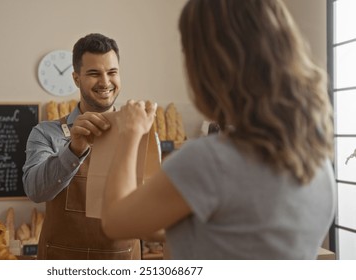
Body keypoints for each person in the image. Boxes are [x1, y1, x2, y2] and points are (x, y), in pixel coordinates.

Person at [101, 0, 336, 259]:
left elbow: (114, 221)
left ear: (208, 65)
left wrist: (130, 132)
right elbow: (238, 233)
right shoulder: (316, 159)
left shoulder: (210, 160)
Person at [22, 33, 141, 259]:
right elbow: (35, 191)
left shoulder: (141, 135)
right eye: (94, 73)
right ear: (76, 79)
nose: (105, 82)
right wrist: (74, 151)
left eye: (112, 72)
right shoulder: (46, 133)